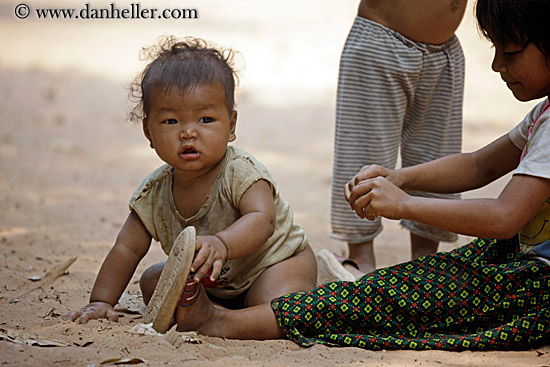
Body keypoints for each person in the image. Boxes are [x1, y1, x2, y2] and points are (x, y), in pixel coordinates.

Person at [140, 0, 550, 350]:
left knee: (382, 302)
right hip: (520, 259)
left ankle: (220, 323)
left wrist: (404, 204)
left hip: (535, 285)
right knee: (409, 281)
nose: (496, 64)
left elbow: (503, 217)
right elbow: (480, 165)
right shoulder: (541, 115)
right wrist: (401, 178)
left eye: (510, 51)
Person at [62, 37, 317, 328]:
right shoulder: (154, 194)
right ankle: (216, 309)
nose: (188, 133)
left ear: (231, 125)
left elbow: (263, 219)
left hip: (274, 263)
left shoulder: (240, 172)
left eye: (206, 119)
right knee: (152, 280)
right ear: (148, 131)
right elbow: (126, 249)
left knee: (278, 306)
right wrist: (102, 301)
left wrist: (222, 243)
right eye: (171, 121)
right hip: (217, 282)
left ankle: (224, 321)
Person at [330, 0, 468, 274]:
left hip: (445, 50)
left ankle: (425, 263)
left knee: (437, 158)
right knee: (364, 152)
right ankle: (361, 261)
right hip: (381, 42)